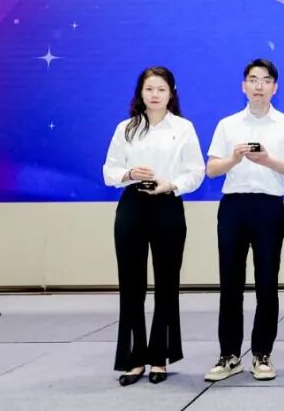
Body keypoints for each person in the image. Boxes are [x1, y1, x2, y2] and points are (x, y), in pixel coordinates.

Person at [203, 58, 284, 383]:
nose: (258, 86)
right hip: (233, 206)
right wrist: (234, 158)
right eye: (252, 79)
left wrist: (268, 160)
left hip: (269, 206)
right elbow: (211, 170)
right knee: (230, 284)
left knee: (267, 282)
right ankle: (229, 354)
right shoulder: (227, 124)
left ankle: (262, 353)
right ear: (243, 86)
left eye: (265, 80)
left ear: (275, 87)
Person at [102, 66, 205, 386]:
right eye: (149, 89)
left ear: (171, 93)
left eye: (161, 89)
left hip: (167, 205)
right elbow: (109, 171)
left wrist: (172, 184)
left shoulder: (183, 128)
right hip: (132, 206)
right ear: (140, 93)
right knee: (131, 285)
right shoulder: (126, 128)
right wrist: (130, 174)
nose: (155, 95)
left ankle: (159, 357)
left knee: (166, 283)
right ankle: (133, 359)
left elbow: (196, 171)